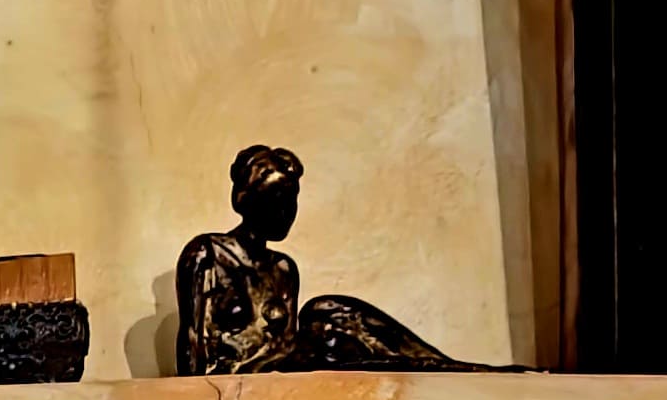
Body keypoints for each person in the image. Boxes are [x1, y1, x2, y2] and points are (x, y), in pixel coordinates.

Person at [175, 145, 466, 374]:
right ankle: (432, 364)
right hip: (236, 383)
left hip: (279, 376)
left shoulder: (283, 269)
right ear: (250, 200)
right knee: (324, 321)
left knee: (328, 314)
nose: (288, 211)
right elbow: (192, 346)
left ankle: (434, 363)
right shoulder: (208, 253)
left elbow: (285, 344)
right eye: (278, 200)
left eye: (292, 200)